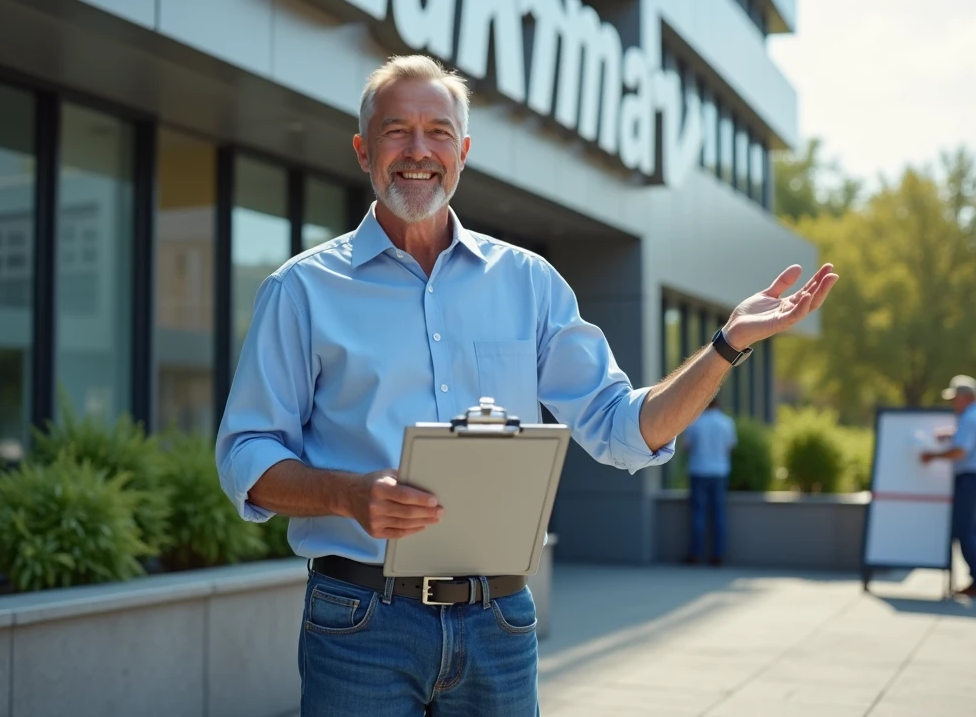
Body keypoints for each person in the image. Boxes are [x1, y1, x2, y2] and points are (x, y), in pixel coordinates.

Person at [215, 54, 838, 716]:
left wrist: (726, 346)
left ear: (465, 150)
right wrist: (346, 493)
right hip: (362, 621)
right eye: (397, 131)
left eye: (439, 132)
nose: (418, 151)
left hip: (501, 623)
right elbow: (246, 454)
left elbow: (622, 426)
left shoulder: (529, 283)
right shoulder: (303, 290)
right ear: (364, 149)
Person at [921, 375, 976, 597]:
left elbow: (961, 451)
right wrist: (951, 435)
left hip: (971, 478)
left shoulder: (970, 419)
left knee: (965, 529)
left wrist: (933, 456)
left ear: (967, 397)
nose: (953, 403)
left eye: (955, 398)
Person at [680, 397, 736, 566]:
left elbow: (686, 447)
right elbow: (730, 448)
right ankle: (717, 555)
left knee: (698, 514)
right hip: (719, 472)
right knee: (719, 514)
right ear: (718, 404)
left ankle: (695, 554)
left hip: (699, 470)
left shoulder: (695, 422)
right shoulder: (727, 423)